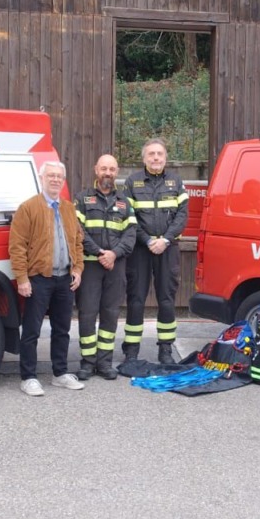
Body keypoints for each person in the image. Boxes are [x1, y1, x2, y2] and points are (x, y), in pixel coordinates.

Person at [8, 161, 86, 396]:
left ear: (63, 180)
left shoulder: (69, 209)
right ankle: (28, 378)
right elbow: (17, 246)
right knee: (31, 330)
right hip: (39, 279)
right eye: (51, 175)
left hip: (65, 279)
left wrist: (78, 269)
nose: (55, 179)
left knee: (62, 330)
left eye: (59, 176)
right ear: (42, 178)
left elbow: (77, 242)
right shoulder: (28, 208)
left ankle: (60, 374)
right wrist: (22, 278)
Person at [123, 139, 189, 364]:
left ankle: (166, 350)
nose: (156, 158)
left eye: (160, 154)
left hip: (168, 249)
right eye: (151, 154)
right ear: (144, 158)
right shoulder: (132, 182)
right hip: (140, 250)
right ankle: (131, 351)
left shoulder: (176, 182)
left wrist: (166, 240)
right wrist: (148, 240)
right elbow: (129, 217)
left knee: (167, 299)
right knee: (136, 299)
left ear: (165, 158)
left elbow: (182, 215)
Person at [75, 154, 136, 380]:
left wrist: (113, 254)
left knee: (110, 313)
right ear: (96, 170)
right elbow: (78, 231)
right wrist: (100, 253)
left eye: (111, 169)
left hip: (115, 267)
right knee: (88, 313)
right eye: (104, 168)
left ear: (116, 172)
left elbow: (130, 235)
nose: (107, 173)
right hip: (90, 266)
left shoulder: (125, 203)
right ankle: (87, 362)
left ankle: (104, 362)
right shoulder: (82, 199)